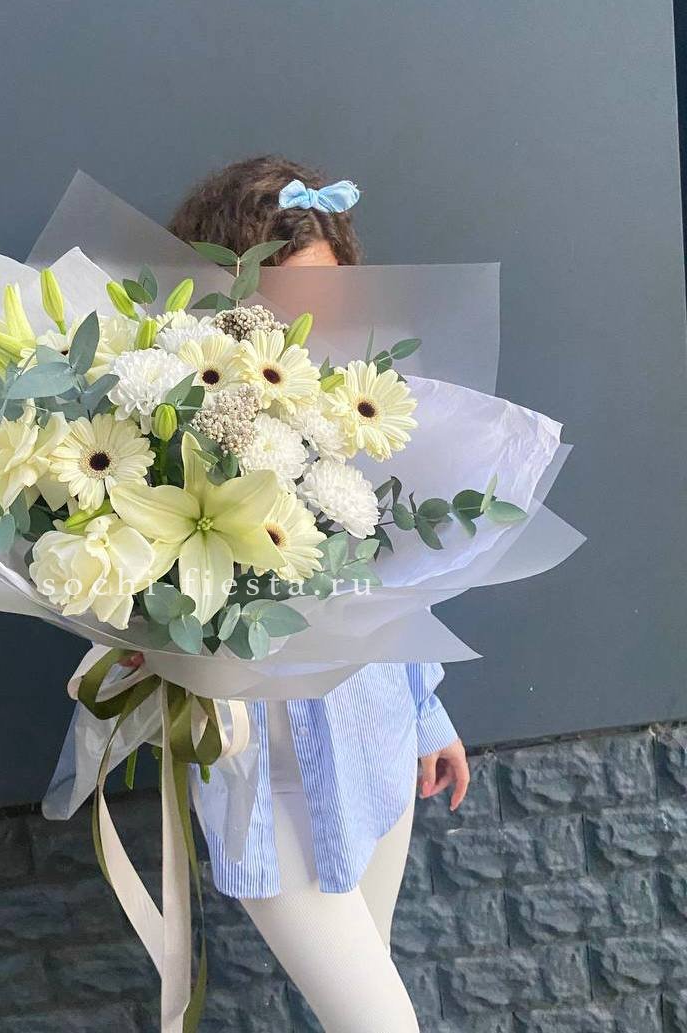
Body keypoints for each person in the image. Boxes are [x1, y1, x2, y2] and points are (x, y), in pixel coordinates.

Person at [164, 156, 468, 1032]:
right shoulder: (178, 416)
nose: (310, 320)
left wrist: (429, 716)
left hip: (375, 752)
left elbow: (389, 580)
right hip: (267, 782)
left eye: (328, 293)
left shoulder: (354, 402)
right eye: (288, 296)